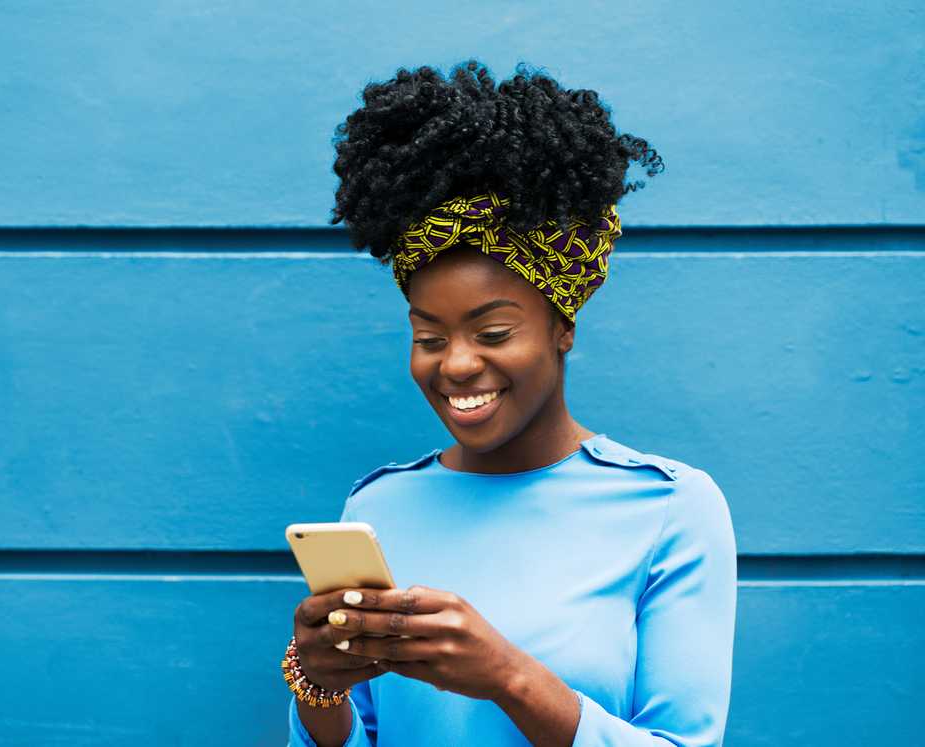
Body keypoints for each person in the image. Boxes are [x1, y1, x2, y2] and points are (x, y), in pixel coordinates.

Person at [282, 59, 737, 746]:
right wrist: (319, 685)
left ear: (562, 328)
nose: (457, 363)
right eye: (429, 336)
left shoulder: (671, 509)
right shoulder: (376, 510)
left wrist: (507, 676)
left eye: (493, 332)